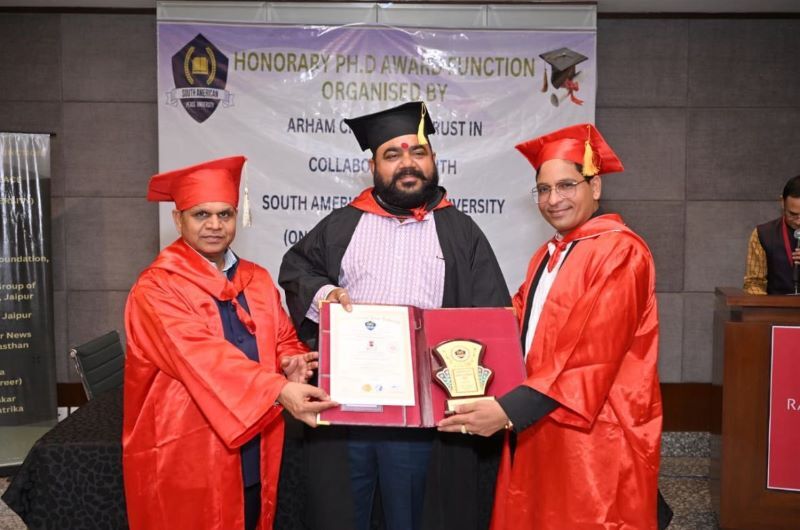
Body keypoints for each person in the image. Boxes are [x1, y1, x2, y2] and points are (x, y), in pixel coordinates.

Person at [279, 101, 511, 530]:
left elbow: (489, 317)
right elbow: (297, 269)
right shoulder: (343, 224)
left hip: (422, 417)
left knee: (414, 517)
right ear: (373, 166)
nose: (407, 163)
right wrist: (327, 295)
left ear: (434, 159)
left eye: (418, 152)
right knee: (341, 515)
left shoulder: (461, 232)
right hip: (347, 411)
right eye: (392, 154)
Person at [439, 123, 664, 529]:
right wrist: (437, 337)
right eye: (543, 190)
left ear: (595, 186)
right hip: (542, 423)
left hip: (595, 432)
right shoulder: (548, 254)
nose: (553, 199)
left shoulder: (621, 252)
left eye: (566, 186)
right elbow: (513, 320)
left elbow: (590, 355)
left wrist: (508, 410)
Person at [123, 155, 336, 530]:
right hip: (186, 446)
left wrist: (291, 361)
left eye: (225, 214)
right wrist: (278, 389)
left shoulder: (255, 278)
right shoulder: (156, 288)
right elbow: (202, 357)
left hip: (253, 439)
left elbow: (283, 337)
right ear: (178, 220)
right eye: (201, 215)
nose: (214, 225)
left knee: (250, 512)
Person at [743, 175, 800, 295]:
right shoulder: (763, 234)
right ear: (782, 202)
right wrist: (768, 305)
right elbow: (754, 283)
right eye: (793, 214)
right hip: (778, 305)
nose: (798, 222)